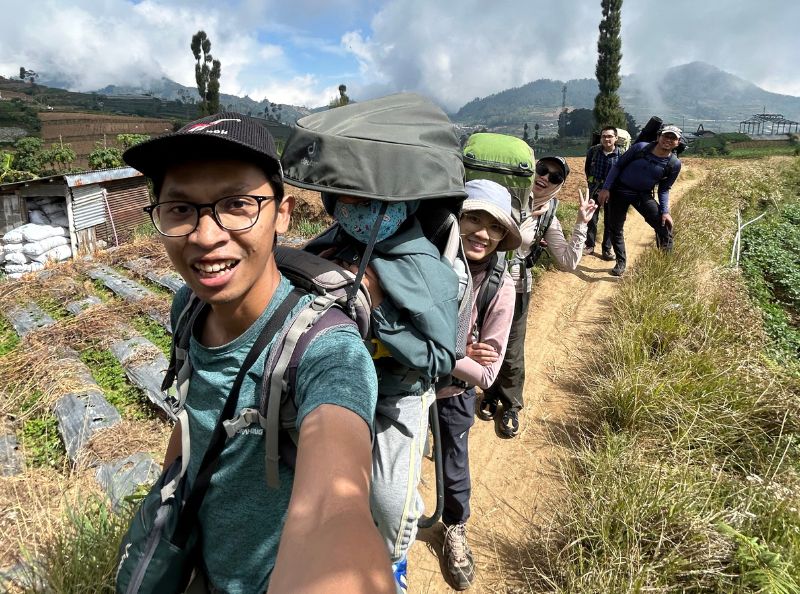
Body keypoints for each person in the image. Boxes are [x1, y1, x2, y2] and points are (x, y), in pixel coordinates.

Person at [122, 112, 395, 594]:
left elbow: (337, 507)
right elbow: (193, 415)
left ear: (283, 214)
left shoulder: (327, 351)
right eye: (180, 209)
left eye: (237, 204)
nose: (206, 237)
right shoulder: (188, 305)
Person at [280, 93, 462, 592]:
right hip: (331, 388)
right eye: (346, 200)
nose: (354, 211)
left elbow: (440, 359)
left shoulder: (425, 270)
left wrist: (378, 310)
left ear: (402, 202)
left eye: (367, 201)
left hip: (394, 395)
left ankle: (393, 563)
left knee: (386, 502)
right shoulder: (328, 246)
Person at [436, 179, 520, 590]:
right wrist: (462, 353)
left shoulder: (499, 286)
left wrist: (437, 353)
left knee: (453, 461)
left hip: (451, 394)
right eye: (473, 218)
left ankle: (454, 527)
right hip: (402, 389)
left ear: (504, 236)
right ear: (456, 216)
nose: (482, 233)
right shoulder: (426, 261)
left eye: (495, 227)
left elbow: (487, 374)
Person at [478, 156, 597, 437]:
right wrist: (518, 217)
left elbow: (567, 262)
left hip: (516, 287)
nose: (545, 177)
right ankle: (490, 391)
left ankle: (510, 405)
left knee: (511, 347)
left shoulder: (548, 214)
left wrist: (581, 224)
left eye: (555, 177)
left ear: (559, 186)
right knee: (480, 341)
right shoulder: (505, 197)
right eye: (542, 170)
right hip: (482, 283)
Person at [597, 124, 683, 277]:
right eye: (665, 136)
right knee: (615, 227)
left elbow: (664, 188)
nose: (668, 140)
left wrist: (665, 212)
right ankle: (621, 262)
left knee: (663, 227)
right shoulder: (640, 148)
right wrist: (606, 188)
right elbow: (618, 166)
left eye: (673, 138)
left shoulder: (674, 164)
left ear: (678, 142)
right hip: (620, 190)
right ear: (658, 137)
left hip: (642, 195)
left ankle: (665, 265)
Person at [584, 125, 623, 259]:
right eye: (604, 136)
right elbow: (587, 169)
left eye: (610, 136)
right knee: (591, 219)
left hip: (612, 192)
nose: (607, 139)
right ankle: (589, 245)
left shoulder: (621, 155)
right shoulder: (593, 151)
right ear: (600, 138)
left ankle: (606, 249)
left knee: (609, 221)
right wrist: (591, 183)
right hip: (594, 189)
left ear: (616, 138)